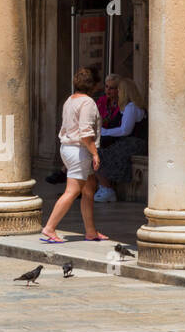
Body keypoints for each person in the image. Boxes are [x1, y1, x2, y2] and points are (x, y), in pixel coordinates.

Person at [40, 68, 108, 243]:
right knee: (72, 191)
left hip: (68, 148)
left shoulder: (70, 100)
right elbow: (85, 132)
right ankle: (49, 228)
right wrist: (95, 153)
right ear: (93, 84)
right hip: (79, 150)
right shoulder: (88, 103)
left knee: (89, 187)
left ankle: (91, 231)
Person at [93, 76, 147, 202]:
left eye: (119, 90)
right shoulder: (128, 107)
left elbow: (125, 130)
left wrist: (104, 132)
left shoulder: (131, 107)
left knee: (99, 155)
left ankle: (107, 189)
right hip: (130, 142)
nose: (117, 93)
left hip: (134, 143)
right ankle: (103, 186)